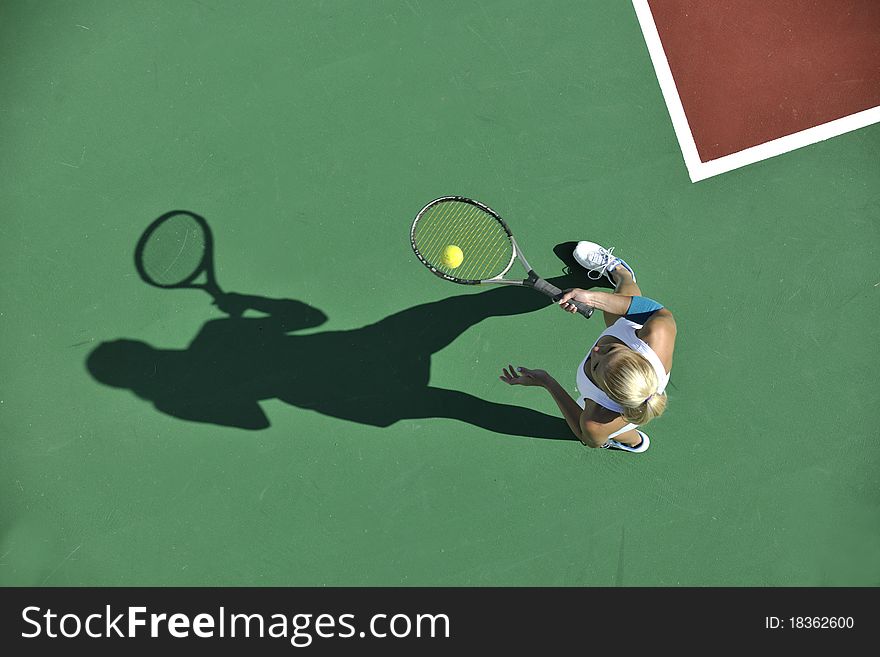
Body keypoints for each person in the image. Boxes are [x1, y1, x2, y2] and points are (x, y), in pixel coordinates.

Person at [500, 241, 677, 453]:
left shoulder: (596, 420)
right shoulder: (658, 333)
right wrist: (591, 299)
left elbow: (587, 437)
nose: (595, 351)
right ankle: (621, 273)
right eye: (610, 350)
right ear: (635, 354)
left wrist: (547, 382)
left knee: (618, 431)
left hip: (615, 420)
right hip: (635, 372)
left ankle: (630, 442)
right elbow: (655, 310)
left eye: (595, 366)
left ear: (606, 394)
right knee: (618, 306)